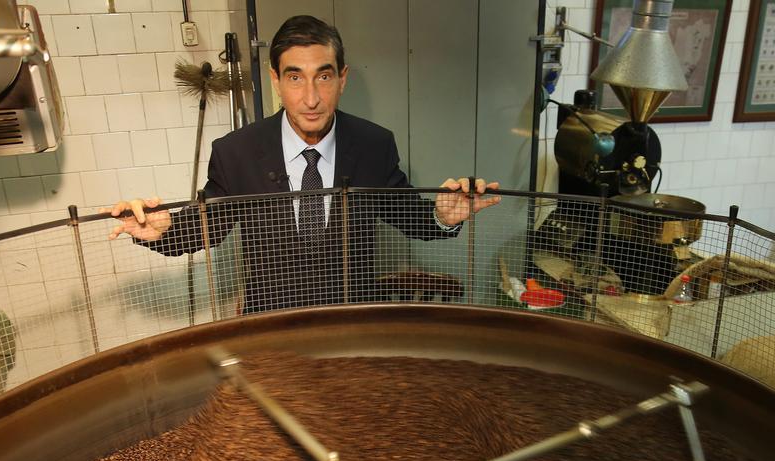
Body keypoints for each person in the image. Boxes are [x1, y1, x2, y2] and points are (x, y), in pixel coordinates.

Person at [108, 15, 500, 314]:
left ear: (342, 79)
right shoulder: (236, 152)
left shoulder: (373, 144)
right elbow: (204, 228)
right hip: (272, 330)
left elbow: (406, 213)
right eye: (295, 77)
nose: (311, 98)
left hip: (351, 325)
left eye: (323, 76)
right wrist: (159, 231)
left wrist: (443, 216)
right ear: (275, 79)